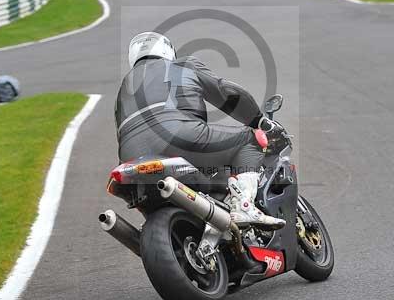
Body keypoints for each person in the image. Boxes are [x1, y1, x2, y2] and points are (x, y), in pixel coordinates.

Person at [115, 32, 285, 229]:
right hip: (181, 137)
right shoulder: (182, 66)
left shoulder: (123, 91)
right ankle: (244, 206)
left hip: (131, 159)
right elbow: (228, 94)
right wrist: (259, 121)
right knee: (250, 139)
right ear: (167, 50)